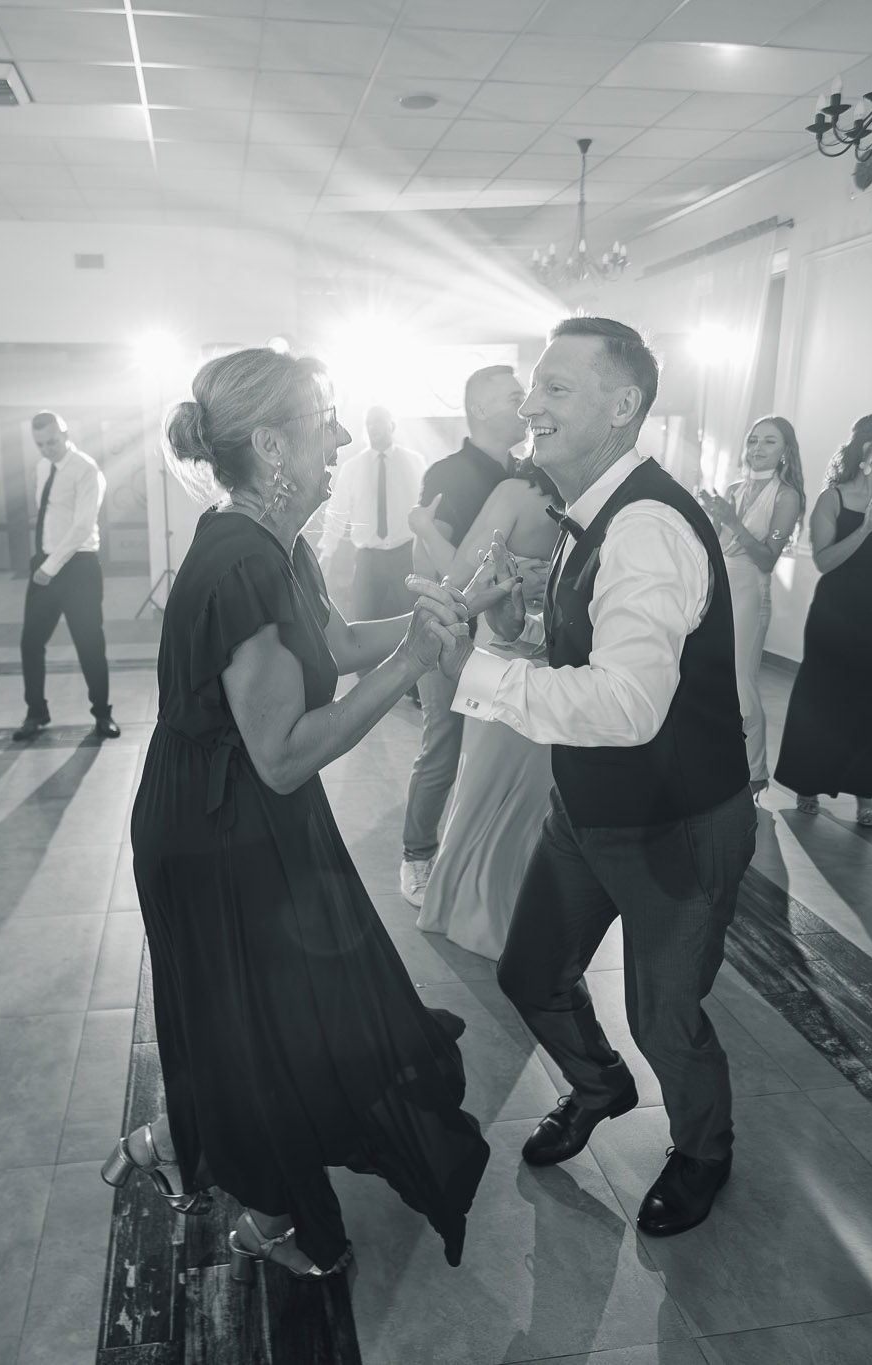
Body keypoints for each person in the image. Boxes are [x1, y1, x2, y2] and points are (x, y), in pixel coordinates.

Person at [115, 346, 489, 1283]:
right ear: (272, 446)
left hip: (249, 815)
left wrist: (439, 617)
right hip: (213, 828)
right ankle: (271, 1207)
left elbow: (336, 643)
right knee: (255, 1023)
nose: (344, 437)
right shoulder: (242, 561)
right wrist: (413, 666)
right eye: (325, 422)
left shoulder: (277, 542)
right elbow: (280, 756)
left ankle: (190, 1147)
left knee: (285, 1010)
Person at [427, 317, 756, 1239]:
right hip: (589, 808)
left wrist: (474, 671)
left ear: (623, 406)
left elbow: (627, 705)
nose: (530, 403)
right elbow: (595, 656)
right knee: (531, 971)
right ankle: (599, 1084)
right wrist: (513, 633)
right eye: (534, 387)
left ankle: (704, 1149)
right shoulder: (589, 511)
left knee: (665, 1016)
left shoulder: (646, 524)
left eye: (556, 387)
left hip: (678, 820)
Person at [410, 458, 563, 959]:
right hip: (539, 656)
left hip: (516, 653)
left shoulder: (518, 493)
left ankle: (463, 911)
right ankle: (494, 917)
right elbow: (464, 583)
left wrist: (422, 527)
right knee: (520, 801)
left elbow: (457, 578)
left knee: (487, 793)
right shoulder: (571, 503)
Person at [400, 364, 527, 906]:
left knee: (497, 752)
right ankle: (417, 855)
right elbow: (430, 565)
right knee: (445, 746)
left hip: (512, 634)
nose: (527, 405)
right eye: (515, 397)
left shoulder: (529, 471)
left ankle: (477, 860)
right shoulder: (449, 474)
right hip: (454, 631)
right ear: (479, 409)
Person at [773, 412, 872, 825]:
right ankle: (807, 782)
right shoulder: (832, 499)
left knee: (871, 703)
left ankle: (864, 793)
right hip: (834, 614)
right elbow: (824, 562)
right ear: (870, 449)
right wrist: (863, 530)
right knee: (820, 698)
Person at [700, 415, 807, 796]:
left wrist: (732, 520)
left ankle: (754, 771)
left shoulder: (786, 496)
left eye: (769, 442)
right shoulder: (732, 489)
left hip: (750, 590)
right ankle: (719, 761)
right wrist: (708, 521)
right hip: (718, 587)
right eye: (753, 440)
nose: (758, 448)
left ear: (785, 451)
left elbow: (767, 558)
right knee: (712, 677)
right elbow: (713, 546)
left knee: (740, 679)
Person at [12, 411, 117, 742]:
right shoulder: (42, 468)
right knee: (30, 643)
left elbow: (83, 525)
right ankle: (36, 712)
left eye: (52, 442)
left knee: (89, 644)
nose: (47, 449)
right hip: (45, 562)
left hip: (79, 567)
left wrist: (49, 567)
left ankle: (102, 714)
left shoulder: (86, 469)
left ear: (66, 434)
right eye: (40, 444)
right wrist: (42, 563)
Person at [318, 404, 426, 623]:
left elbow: (426, 506)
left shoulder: (414, 461)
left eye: (378, 422)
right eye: (369, 423)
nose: (373, 427)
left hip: (405, 555)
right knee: (362, 619)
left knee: (414, 620)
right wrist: (327, 551)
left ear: (392, 425)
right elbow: (338, 510)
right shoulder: (352, 468)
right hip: (368, 559)